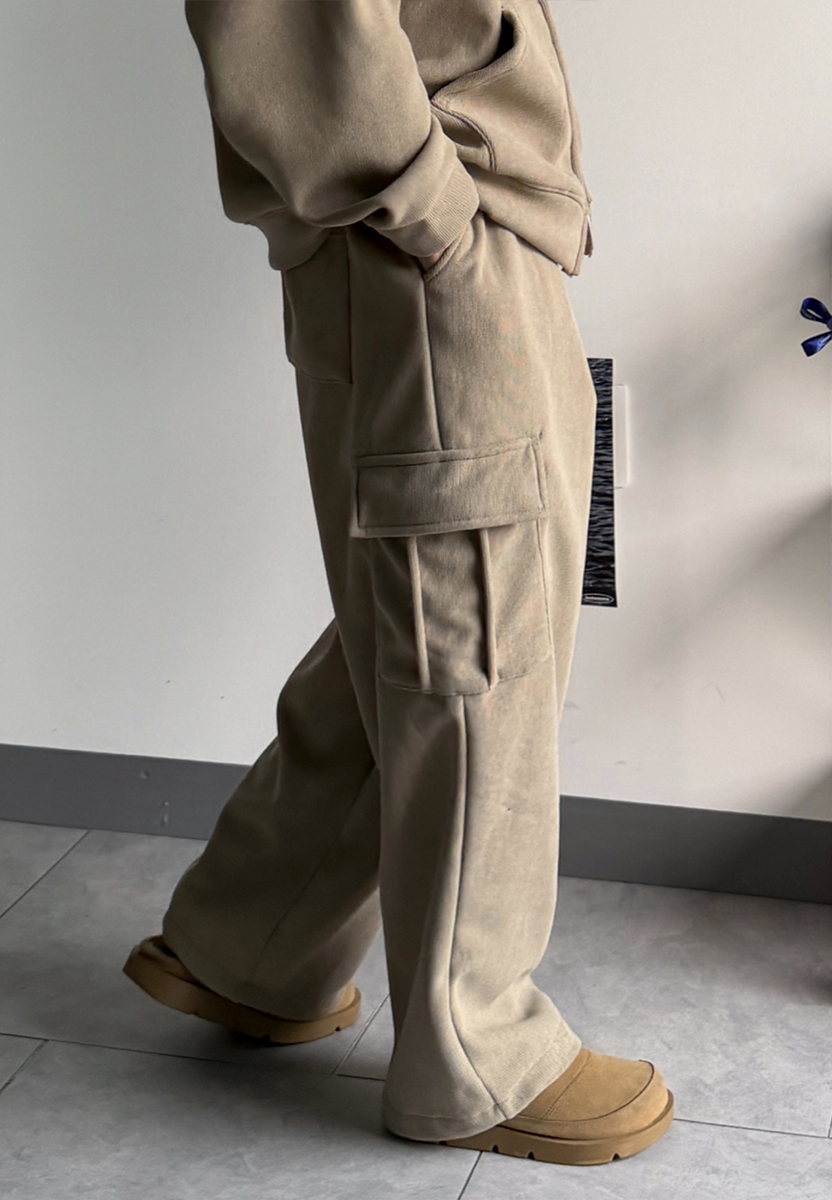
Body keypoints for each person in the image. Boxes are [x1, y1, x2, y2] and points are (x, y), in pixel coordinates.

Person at [123, 0, 673, 1168]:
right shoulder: (425, 225)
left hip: (455, 235)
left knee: (425, 624)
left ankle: (250, 944)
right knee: (473, 648)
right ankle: (474, 1051)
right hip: (423, 245)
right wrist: (435, 214)